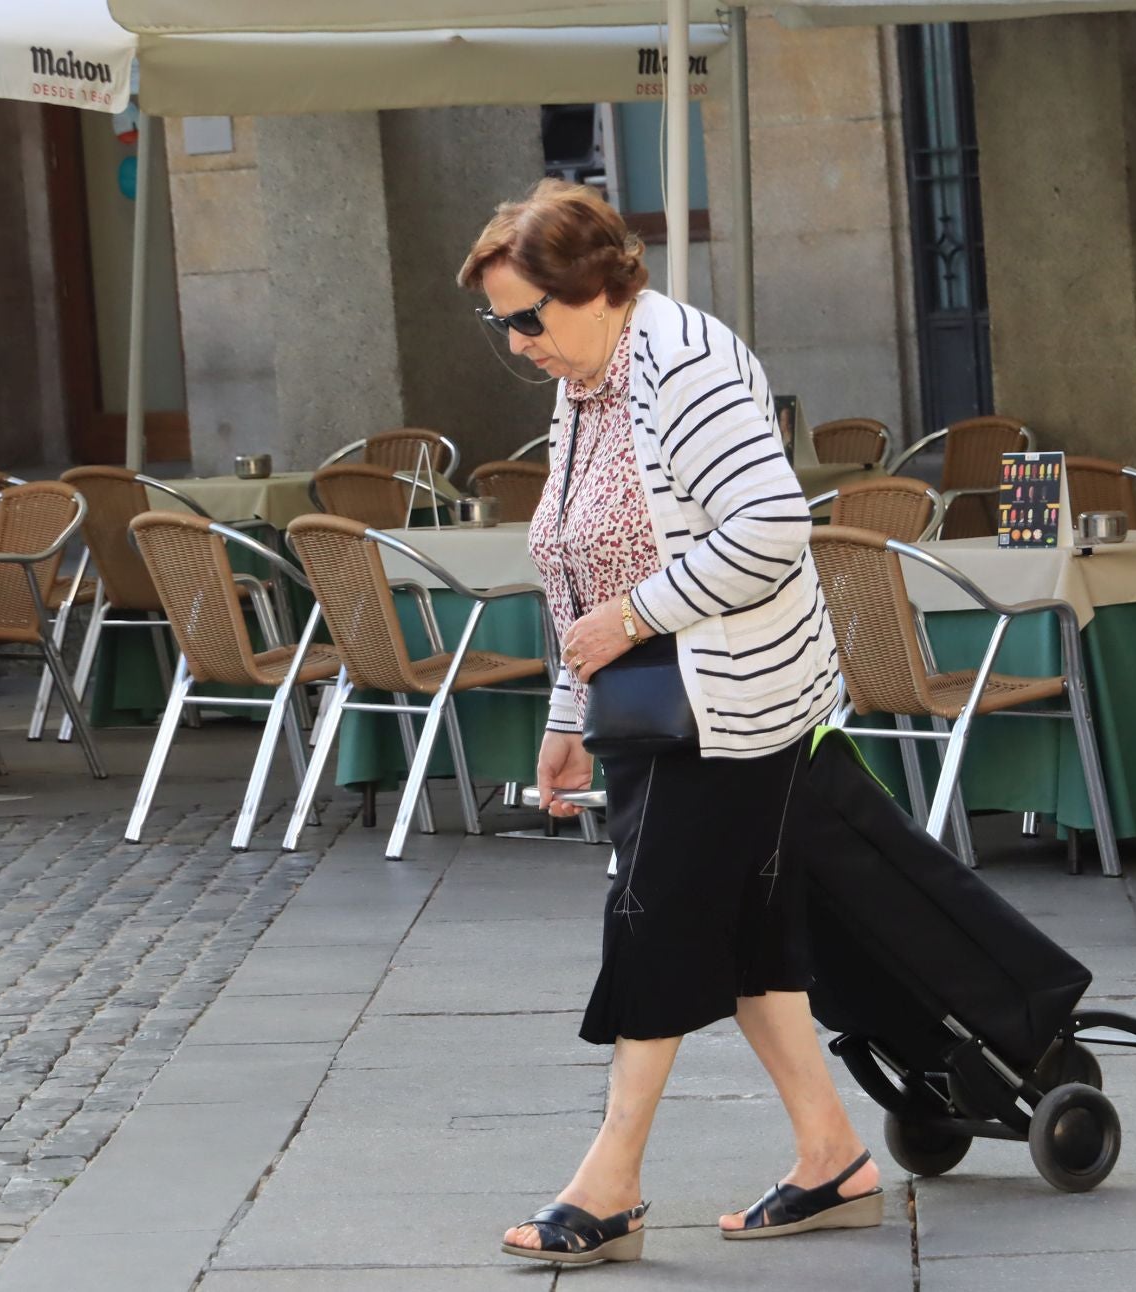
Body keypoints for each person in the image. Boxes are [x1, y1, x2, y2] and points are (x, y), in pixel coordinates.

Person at [456, 180, 878, 1269]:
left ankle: (612, 1181)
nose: (515, 344)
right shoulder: (586, 378)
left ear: (593, 286)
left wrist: (637, 615)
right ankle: (833, 1155)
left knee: (653, 918)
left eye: (527, 317)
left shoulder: (678, 362)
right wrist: (565, 705)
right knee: (744, 937)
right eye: (499, 321)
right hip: (661, 700)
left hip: (733, 700)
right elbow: (577, 558)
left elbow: (776, 523)